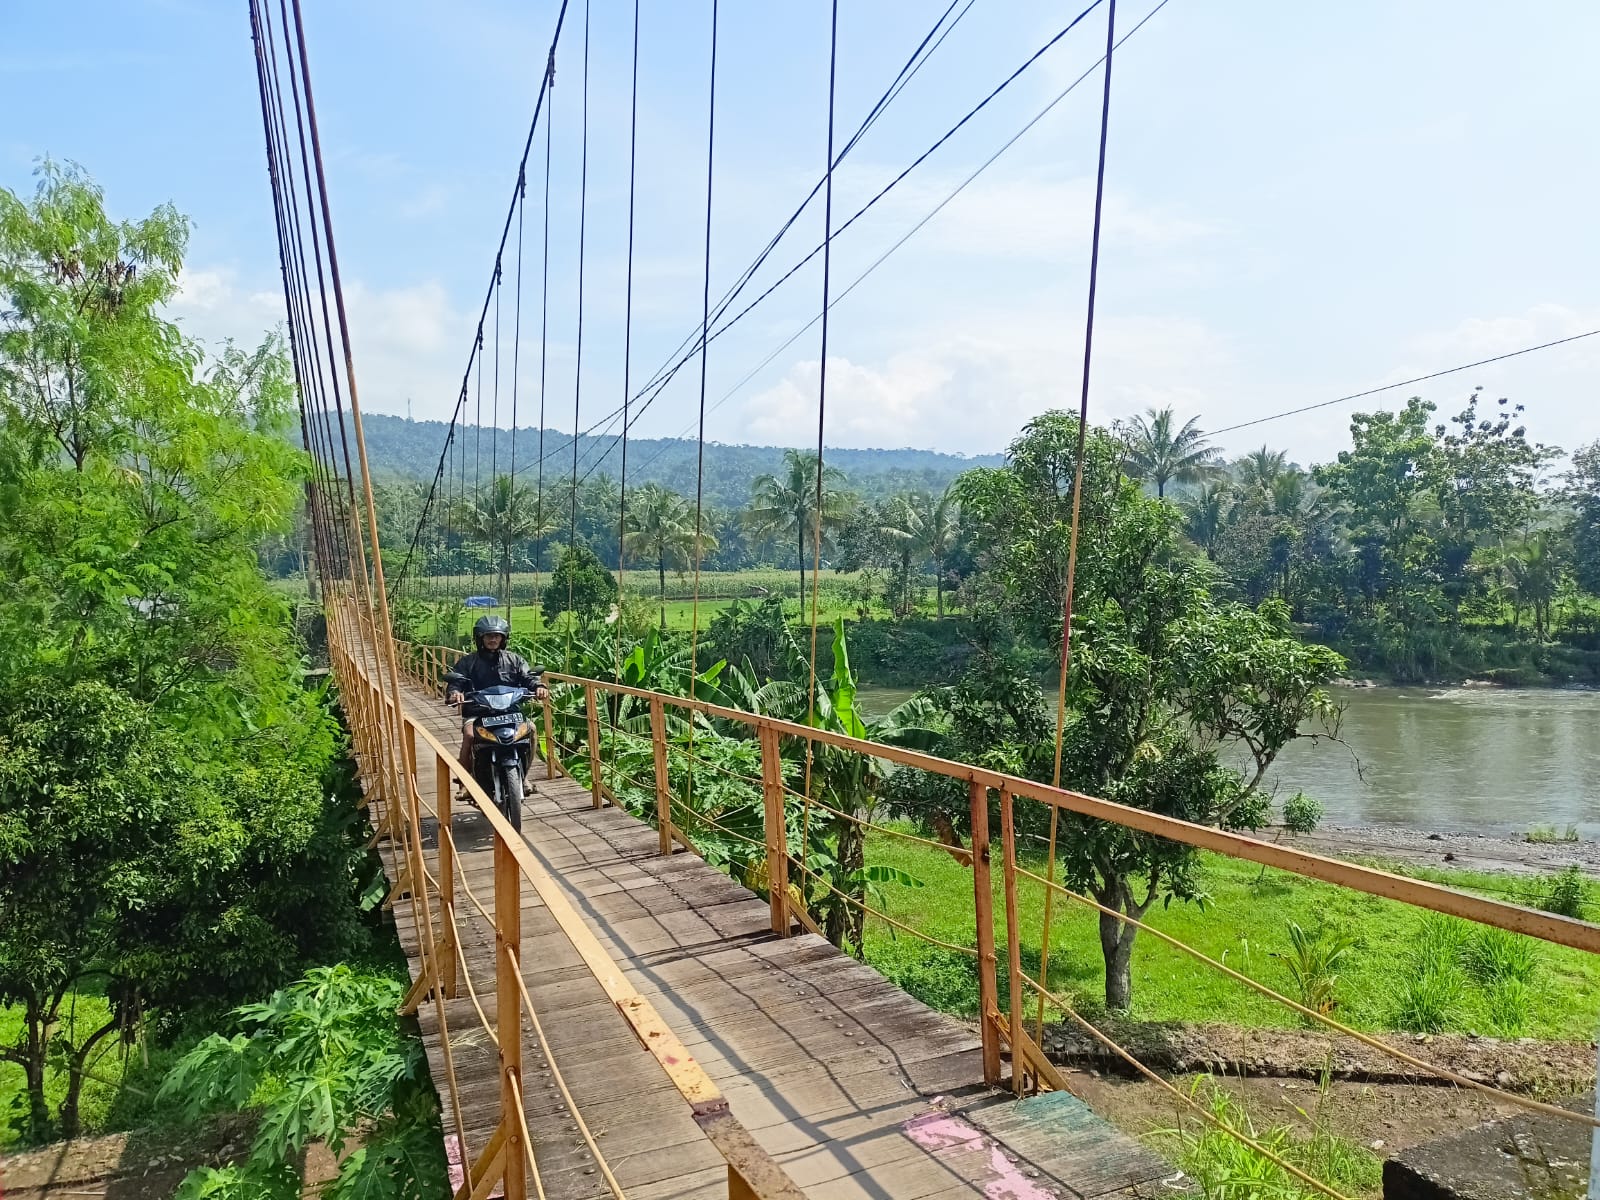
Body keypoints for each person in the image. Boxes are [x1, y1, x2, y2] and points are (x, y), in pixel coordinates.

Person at [447, 615, 547, 775]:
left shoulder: (514, 660)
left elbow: (528, 676)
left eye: (496, 635)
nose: (492, 639)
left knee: (532, 730)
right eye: (488, 636)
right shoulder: (468, 662)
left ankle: (524, 775)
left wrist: (539, 686)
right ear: (480, 638)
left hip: (510, 712)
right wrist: (455, 693)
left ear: (503, 638)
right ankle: (465, 782)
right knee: (469, 735)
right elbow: (456, 681)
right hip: (478, 712)